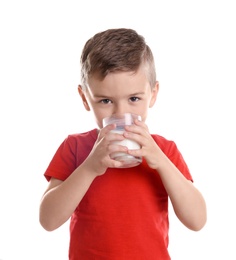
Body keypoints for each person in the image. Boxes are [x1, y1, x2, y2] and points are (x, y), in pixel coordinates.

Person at [39, 28, 207, 260]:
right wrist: (89, 167)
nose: (121, 112)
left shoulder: (165, 150)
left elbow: (197, 220)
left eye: (134, 99)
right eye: (105, 101)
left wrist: (160, 162)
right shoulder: (75, 147)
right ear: (85, 98)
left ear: (153, 94)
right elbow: (48, 220)